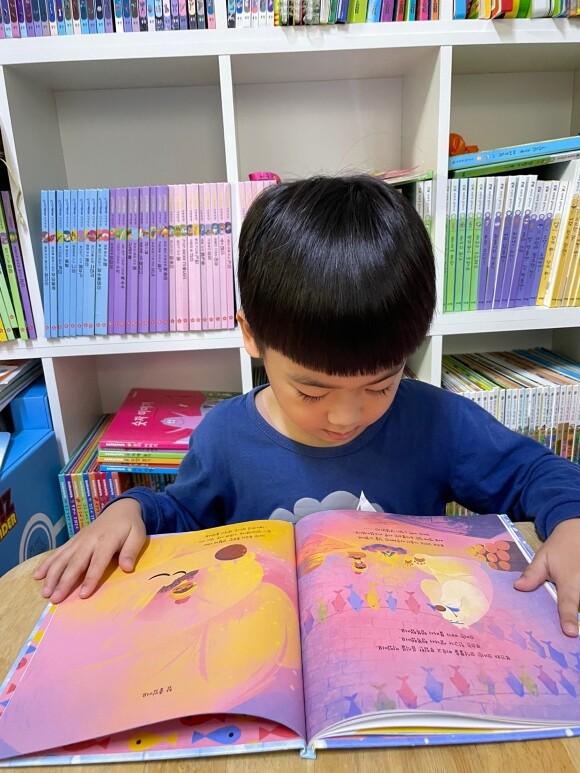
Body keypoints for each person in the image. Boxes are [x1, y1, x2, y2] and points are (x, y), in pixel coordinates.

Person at [36, 174, 580, 636]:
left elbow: (538, 472)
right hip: (264, 644)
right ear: (251, 335)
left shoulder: (437, 421)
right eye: (312, 392)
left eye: (381, 385)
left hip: (405, 639)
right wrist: (129, 510)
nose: (346, 417)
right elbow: (181, 514)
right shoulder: (224, 438)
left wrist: (572, 524)